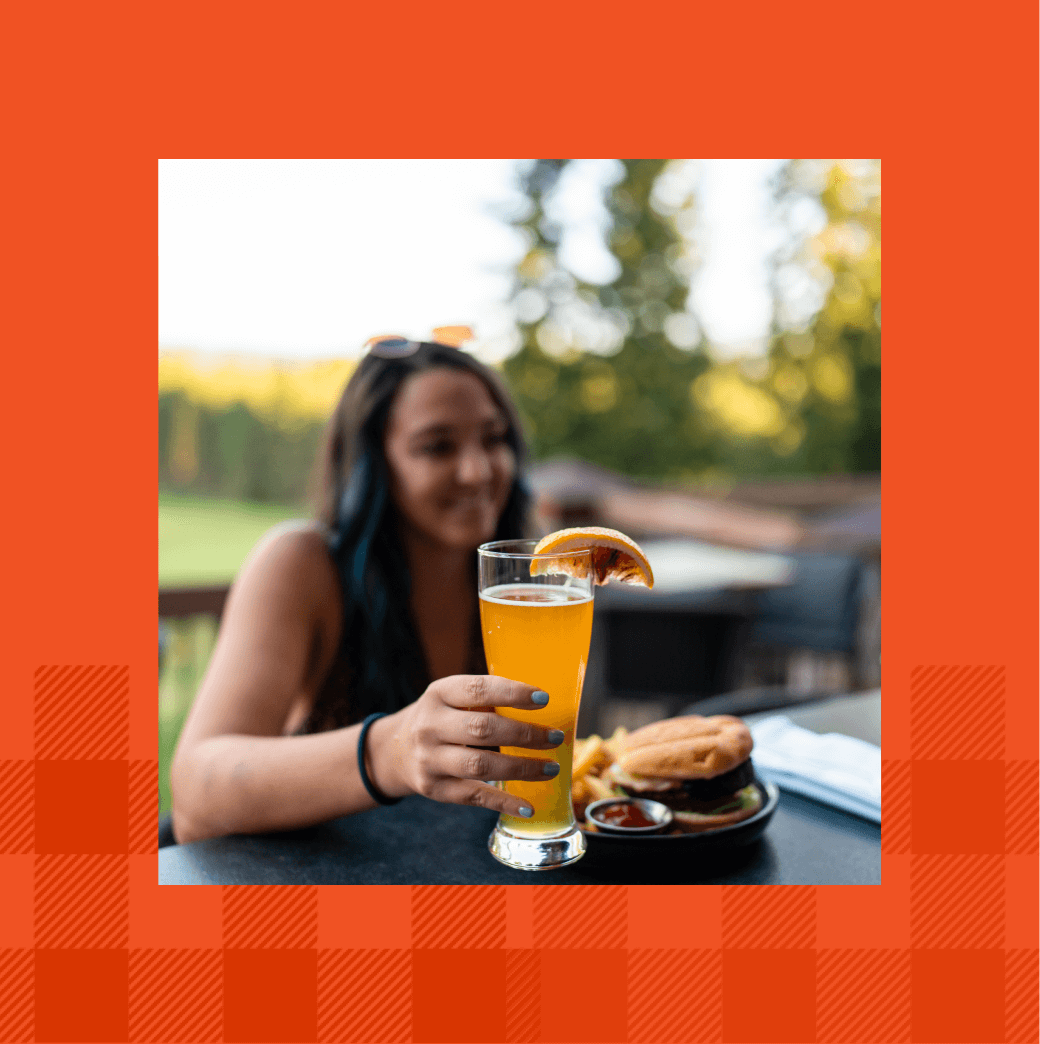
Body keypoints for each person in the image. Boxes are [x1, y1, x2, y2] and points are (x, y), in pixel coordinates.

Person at [169, 335, 564, 844]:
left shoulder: (521, 578)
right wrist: (390, 751)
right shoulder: (302, 563)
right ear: (372, 464)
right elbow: (197, 792)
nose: (479, 471)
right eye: (436, 446)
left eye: (494, 438)